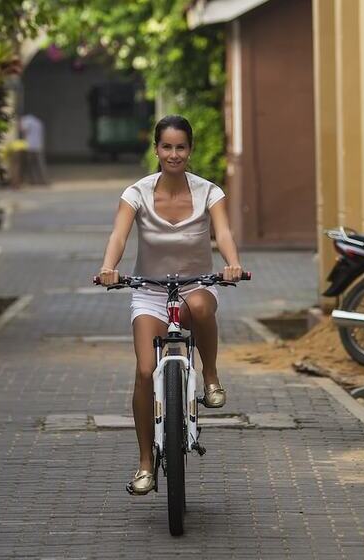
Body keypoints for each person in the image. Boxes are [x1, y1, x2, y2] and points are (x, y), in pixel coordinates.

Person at [97, 115, 244, 495]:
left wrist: (232, 263)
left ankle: (209, 375)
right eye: (167, 147)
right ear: (157, 150)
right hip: (150, 289)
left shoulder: (210, 192)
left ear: (190, 150)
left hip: (197, 284)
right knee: (146, 371)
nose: (174, 154)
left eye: (181, 147)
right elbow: (119, 233)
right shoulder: (137, 193)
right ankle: (146, 463)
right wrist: (108, 268)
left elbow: (223, 231)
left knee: (199, 307)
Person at [19, 113, 49, 185]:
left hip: (29, 146)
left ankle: (32, 181)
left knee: (29, 165)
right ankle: (44, 181)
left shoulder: (26, 120)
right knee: (40, 165)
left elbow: (23, 130)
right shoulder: (38, 122)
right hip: (38, 146)